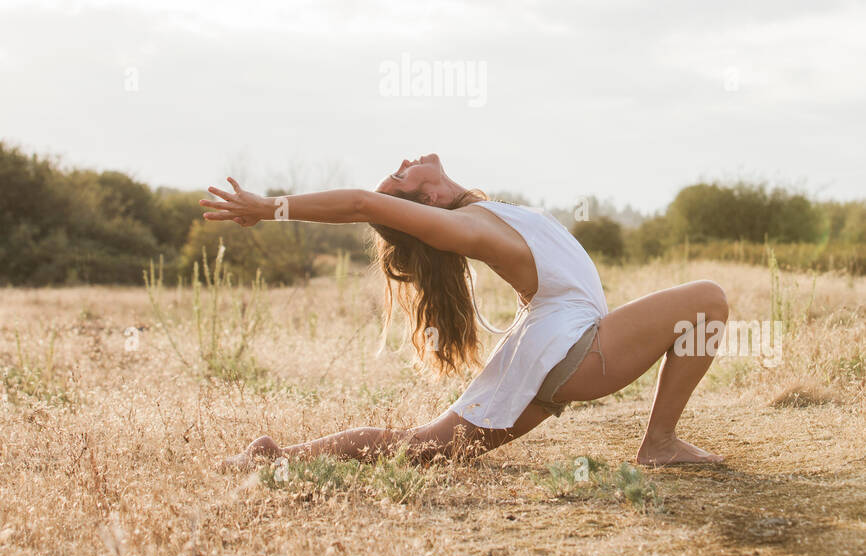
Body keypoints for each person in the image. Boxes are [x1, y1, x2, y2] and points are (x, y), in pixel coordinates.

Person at [200, 154, 728, 470]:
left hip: (545, 350)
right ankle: (658, 442)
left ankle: (280, 456)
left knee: (427, 449)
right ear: (425, 201)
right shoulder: (467, 226)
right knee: (706, 300)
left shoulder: (480, 215)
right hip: (571, 351)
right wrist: (268, 207)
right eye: (399, 176)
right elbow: (362, 204)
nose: (405, 162)